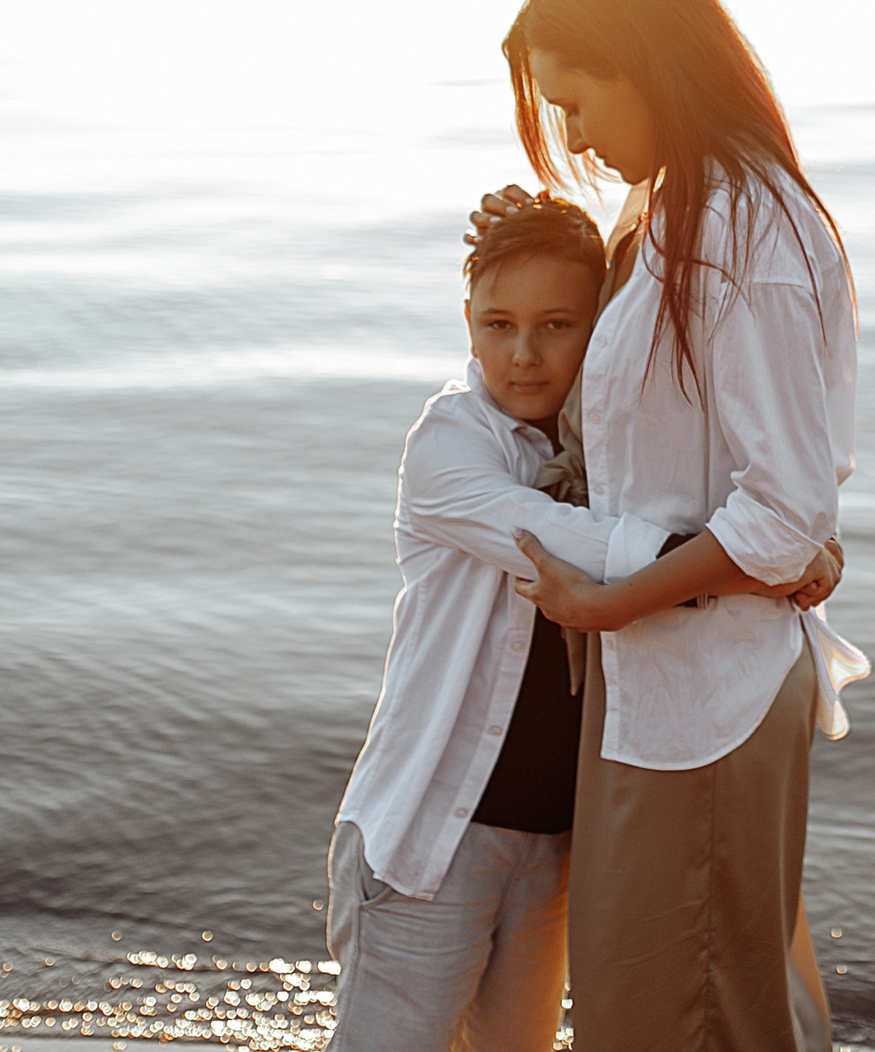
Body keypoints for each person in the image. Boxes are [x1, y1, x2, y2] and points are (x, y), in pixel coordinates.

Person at [326, 197, 841, 1052]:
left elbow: (745, 485)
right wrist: (757, 564)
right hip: (431, 846)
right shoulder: (448, 447)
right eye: (498, 323)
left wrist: (792, 539)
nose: (522, 354)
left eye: (556, 324)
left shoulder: (615, 460)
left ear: (601, 327)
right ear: (467, 322)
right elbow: (572, 543)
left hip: (554, 849)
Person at [485, 0, 870, 1052]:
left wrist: (610, 605)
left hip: (704, 690)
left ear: (644, 61)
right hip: (671, 681)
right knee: (693, 1001)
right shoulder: (675, 211)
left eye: (577, 100)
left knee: (685, 1013)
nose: (576, 137)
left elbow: (786, 510)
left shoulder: (738, 231)